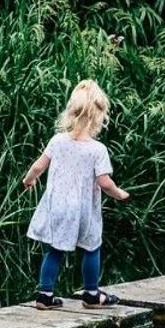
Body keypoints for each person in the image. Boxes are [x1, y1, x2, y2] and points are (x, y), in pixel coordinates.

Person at [22, 79, 129, 309]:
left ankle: (45, 295)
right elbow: (104, 182)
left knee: (55, 250)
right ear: (98, 117)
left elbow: (38, 166)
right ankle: (91, 294)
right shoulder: (97, 150)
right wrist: (119, 193)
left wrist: (29, 180)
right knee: (92, 247)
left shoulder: (58, 141)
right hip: (83, 210)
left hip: (57, 206)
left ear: (71, 112)